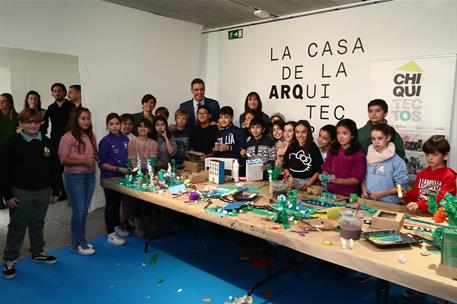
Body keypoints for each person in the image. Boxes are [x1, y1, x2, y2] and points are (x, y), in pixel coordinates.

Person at [1, 108, 60, 279]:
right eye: (28, 122)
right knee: (18, 226)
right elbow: (3, 171)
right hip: (20, 192)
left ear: (41, 123)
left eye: (36, 121)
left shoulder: (47, 142)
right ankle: (10, 258)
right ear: (20, 124)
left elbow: (55, 169)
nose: (33, 125)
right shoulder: (12, 143)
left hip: (43, 191)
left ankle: (38, 251)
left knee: (37, 223)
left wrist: (56, 190)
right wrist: (7, 195)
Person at [58, 107, 97, 255]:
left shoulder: (90, 135)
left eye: (88, 118)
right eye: (83, 118)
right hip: (75, 177)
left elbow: (93, 153)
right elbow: (63, 159)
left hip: (90, 176)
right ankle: (76, 244)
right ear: (76, 119)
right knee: (79, 211)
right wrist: (83, 160)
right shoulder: (67, 137)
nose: (86, 121)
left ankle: (81, 240)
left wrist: (95, 158)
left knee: (84, 211)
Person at [98, 113, 130, 246]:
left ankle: (116, 226)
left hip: (122, 178)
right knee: (110, 205)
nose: (115, 126)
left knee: (118, 203)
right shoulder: (105, 141)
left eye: (117, 123)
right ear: (107, 126)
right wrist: (118, 169)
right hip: (109, 178)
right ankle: (110, 233)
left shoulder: (126, 139)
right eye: (111, 124)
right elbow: (102, 163)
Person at [404, 135, 456, 213]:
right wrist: (406, 195)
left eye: (435, 155)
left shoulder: (449, 176)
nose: (430, 158)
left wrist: (420, 204)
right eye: (427, 154)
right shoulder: (422, 174)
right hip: (420, 214)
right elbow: (416, 195)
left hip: (439, 217)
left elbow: (443, 199)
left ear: (445, 155)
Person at [42, 83, 75, 201]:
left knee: (70, 165)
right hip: (55, 140)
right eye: (54, 91)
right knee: (57, 167)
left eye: (59, 91)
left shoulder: (71, 106)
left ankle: (72, 192)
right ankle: (63, 192)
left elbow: (74, 123)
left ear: (64, 92)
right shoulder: (50, 108)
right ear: (52, 93)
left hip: (69, 138)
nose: (57, 93)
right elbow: (44, 124)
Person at [361, 124, 407, 204]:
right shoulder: (368, 157)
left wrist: (381, 194)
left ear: (388, 138)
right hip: (369, 202)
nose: (376, 142)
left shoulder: (397, 161)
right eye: (373, 139)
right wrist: (364, 191)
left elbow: (401, 188)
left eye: (380, 138)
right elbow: (363, 179)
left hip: (390, 205)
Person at [127, 118, 158, 237]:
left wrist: (147, 171)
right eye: (140, 126)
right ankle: (138, 225)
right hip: (136, 175)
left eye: (145, 126)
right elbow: (132, 159)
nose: (142, 129)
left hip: (150, 175)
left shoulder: (153, 143)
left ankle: (148, 223)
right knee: (137, 201)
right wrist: (138, 172)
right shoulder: (132, 142)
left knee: (149, 201)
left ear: (149, 129)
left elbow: (152, 159)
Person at [321, 119, 366, 196]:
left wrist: (337, 180)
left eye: (344, 133)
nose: (340, 136)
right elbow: (326, 168)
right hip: (330, 193)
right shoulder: (332, 149)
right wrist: (323, 175)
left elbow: (356, 180)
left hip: (349, 195)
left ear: (352, 135)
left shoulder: (359, 154)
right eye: (338, 133)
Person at [283, 120, 323, 190]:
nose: (300, 135)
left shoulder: (313, 146)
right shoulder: (291, 145)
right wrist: (289, 177)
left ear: (308, 133)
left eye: (303, 132)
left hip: (308, 183)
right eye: (297, 132)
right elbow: (286, 165)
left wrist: (309, 183)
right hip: (291, 182)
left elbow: (318, 170)